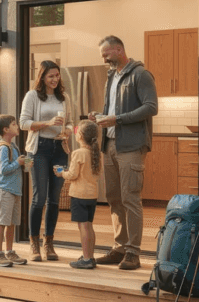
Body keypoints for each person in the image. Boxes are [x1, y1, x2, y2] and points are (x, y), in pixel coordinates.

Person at [91, 36, 158, 270]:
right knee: (113, 199)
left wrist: (116, 119)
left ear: (119, 50)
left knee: (130, 199)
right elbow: (112, 110)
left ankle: (133, 253)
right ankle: (119, 248)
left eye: (106, 54)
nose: (104, 58)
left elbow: (151, 107)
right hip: (109, 145)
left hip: (131, 147)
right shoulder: (112, 76)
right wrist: (99, 116)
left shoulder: (141, 75)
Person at [20, 60, 71, 262]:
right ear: (42, 77)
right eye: (51, 76)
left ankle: (48, 243)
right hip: (38, 149)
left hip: (60, 149)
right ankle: (33, 243)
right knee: (39, 197)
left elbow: (73, 123)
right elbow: (23, 123)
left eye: (57, 75)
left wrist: (68, 130)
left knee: (54, 199)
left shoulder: (64, 97)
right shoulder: (32, 96)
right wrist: (47, 123)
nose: (55, 79)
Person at [55, 120, 102, 269]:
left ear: (80, 135)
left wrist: (61, 173)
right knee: (89, 226)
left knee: (82, 227)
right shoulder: (95, 153)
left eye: (76, 130)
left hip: (79, 195)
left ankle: (86, 259)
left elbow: (73, 174)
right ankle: (91, 256)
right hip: (92, 195)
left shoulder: (78, 153)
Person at [0, 115, 28, 267]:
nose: (17, 126)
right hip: (4, 190)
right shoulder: (3, 148)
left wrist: (25, 163)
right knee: (2, 222)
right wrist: (18, 163)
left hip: (14, 191)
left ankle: (9, 251)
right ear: (6, 129)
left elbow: (16, 166)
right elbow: (3, 169)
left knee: (11, 223)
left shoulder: (14, 147)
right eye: (14, 124)